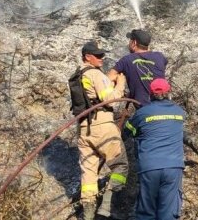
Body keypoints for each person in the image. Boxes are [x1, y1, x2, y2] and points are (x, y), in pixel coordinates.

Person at [74, 41, 129, 220]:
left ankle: (88, 215)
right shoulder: (95, 74)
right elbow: (109, 99)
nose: (101, 58)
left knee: (88, 175)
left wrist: (107, 81)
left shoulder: (79, 75)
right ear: (87, 57)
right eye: (97, 56)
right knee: (120, 166)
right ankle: (106, 208)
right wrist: (120, 84)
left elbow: (92, 96)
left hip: (84, 130)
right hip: (103, 127)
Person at [124, 78, 186, 220]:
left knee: (146, 211)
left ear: (150, 94)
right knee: (169, 211)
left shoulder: (142, 113)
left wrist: (130, 122)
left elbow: (127, 132)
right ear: (168, 92)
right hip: (173, 167)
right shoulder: (179, 112)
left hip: (149, 167)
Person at [107, 29, 167, 107]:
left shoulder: (126, 60)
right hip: (163, 106)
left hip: (143, 109)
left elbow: (109, 77)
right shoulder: (160, 57)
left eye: (130, 40)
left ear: (134, 43)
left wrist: (120, 79)